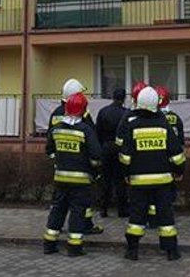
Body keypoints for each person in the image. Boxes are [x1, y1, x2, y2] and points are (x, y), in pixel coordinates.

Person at [118, 86, 185, 261]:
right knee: (165, 216)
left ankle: (132, 250)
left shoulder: (132, 126)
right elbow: (176, 154)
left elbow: (125, 157)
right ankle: (171, 251)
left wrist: (126, 174)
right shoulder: (164, 125)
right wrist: (179, 171)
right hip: (163, 182)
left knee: (136, 217)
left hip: (138, 182)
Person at [43, 92, 103, 257]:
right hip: (81, 181)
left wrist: (60, 162)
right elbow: (96, 155)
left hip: (60, 178)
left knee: (57, 210)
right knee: (78, 212)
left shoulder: (56, 129)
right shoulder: (86, 130)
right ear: (83, 110)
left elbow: (49, 151)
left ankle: (49, 244)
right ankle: (74, 248)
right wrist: (95, 171)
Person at [96, 88, 129, 218]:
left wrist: (100, 148)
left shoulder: (103, 112)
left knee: (105, 180)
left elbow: (97, 132)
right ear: (124, 98)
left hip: (106, 148)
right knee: (120, 180)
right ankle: (122, 210)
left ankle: (103, 209)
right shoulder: (126, 113)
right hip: (120, 149)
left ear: (112, 96)